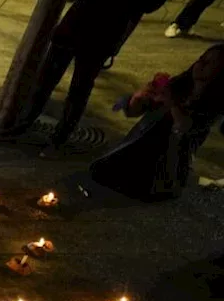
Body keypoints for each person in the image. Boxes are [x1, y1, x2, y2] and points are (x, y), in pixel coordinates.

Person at [22, 0, 169, 155]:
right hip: (78, 20)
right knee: (47, 78)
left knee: (79, 88)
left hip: (106, 30)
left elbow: (150, 2)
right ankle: (26, 122)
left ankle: (58, 138)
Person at [91, 44, 224, 200]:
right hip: (136, 149)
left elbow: (184, 127)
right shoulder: (178, 86)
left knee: (135, 189)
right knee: (99, 173)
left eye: (209, 63)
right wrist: (139, 98)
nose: (200, 65)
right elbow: (134, 111)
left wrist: (170, 102)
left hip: (164, 167)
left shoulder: (212, 107)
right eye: (201, 59)